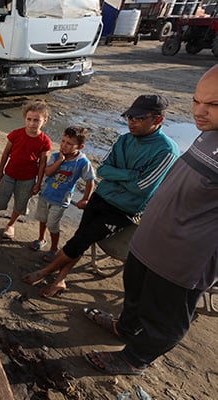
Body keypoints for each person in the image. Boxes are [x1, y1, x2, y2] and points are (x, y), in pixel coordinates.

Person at [83, 66, 218, 376]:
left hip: (182, 258)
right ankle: (125, 327)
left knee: (165, 318)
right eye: (197, 100)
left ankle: (134, 358)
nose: (199, 111)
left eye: (212, 104)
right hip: (150, 241)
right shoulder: (209, 134)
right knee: (135, 293)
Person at [22, 94, 180, 297]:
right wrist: (131, 174)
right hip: (101, 197)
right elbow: (103, 171)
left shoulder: (167, 151)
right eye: (130, 117)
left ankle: (45, 271)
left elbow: (143, 187)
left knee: (82, 239)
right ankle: (60, 280)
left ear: (158, 119)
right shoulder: (124, 139)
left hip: (124, 209)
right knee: (81, 238)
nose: (131, 122)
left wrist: (119, 175)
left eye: (139, 118)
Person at [0, 100, 53, 239]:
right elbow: (5, 153)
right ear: (25, 118)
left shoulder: (45, 141)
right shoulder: (16, 134)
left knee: (20, 204)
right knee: (0, 200)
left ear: (45, 121)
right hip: (9, 174)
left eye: (36, 120)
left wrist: (38, 183)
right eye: (29, 119)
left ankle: (11, 224)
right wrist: (0, 170)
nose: (32, 123)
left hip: (28, 179)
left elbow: (42, 164)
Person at [30, 126, 96, 261]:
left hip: (60, 200)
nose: (64, 146)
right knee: (42, 219)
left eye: (69, 144)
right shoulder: (56, 156)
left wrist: (85, 199)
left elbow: (90, 181)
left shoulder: (82, 162)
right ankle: (41, 239)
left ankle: (54, 248)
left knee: (52, 224)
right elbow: (48, 172)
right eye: (63, 141)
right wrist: (60, 161)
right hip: (46, 194)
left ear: (80, 146)